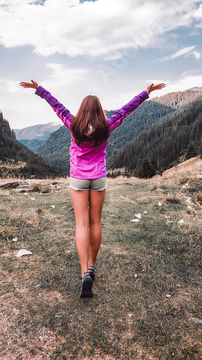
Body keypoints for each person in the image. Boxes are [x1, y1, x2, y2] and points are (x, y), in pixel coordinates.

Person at [20, 79, 165, 298]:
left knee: (81, 224)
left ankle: (84, 272)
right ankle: (93, 266)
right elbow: (127, 109)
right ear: (99, 111)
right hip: (98, 178)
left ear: (82, 110)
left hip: (78, 178)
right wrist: (146, 93)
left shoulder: (73, 124)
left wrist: (40, 90)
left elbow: (57, 106)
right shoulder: (107, 126)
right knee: (95, 222)